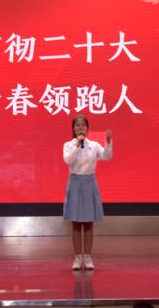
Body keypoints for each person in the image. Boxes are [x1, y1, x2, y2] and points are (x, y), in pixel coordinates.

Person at [63, 115, 112, 271]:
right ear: (73, 128)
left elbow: (106, 157)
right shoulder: (68, 145)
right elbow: (68, 161)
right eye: (78, 125)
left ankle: (88, 257)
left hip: (89, 183)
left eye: (83, 125)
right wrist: (77, 144)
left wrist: (108, 143)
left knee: (89, 223)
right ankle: (78, 257)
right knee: (76, 223)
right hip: (75, 182)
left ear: (87, 128)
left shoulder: (94, 145)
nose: (81, 128)